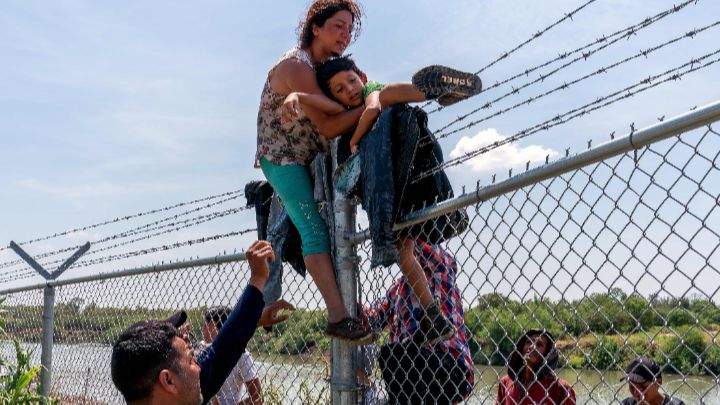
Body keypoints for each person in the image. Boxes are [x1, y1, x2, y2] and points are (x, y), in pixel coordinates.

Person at [254, 0, 371, 343]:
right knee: (314, 230)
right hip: (282, 158)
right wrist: (372, 105)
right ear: (314, 28)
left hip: (308, 156)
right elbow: (330, 122)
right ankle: (338, 317)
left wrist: (369, 101)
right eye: (337, 26)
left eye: (349, 29)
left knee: (328, 227)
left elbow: (348, 99)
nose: (345, 35)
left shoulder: (330, 66)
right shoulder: (297, 66)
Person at [110, 240, 294, 405]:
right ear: (168, 381)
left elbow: (220, 354)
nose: (199, 367)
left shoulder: (172, 393)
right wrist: (258, 279)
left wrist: (254, 318)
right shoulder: (185, 391)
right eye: (191, 360)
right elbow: (217, 357)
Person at [364, 240, 474, 404]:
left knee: (399, 354)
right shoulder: (397, 288)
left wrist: (400, 233)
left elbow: (422, 245)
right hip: (411, 371)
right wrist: (358, 312)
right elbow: (376, 317)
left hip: (450, 365)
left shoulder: (441, 269)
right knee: (390, 354)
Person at [196, 306, 263, 405]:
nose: (202, 329)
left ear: (212, 325)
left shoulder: (241, 354)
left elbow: (257, 397)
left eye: (204, 324)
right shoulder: (202, 349)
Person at [495, 330, 576, 405]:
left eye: (539, 344)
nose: (531, 347)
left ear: (547, 354)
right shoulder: (506, 382)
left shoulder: (560, 388)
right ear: (521, 348)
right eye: (528, 342)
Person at [620, 357, 686, 405]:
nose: (636, 392)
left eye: (642, 386)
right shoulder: (627, 403)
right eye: (632, 386)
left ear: (658, 382)